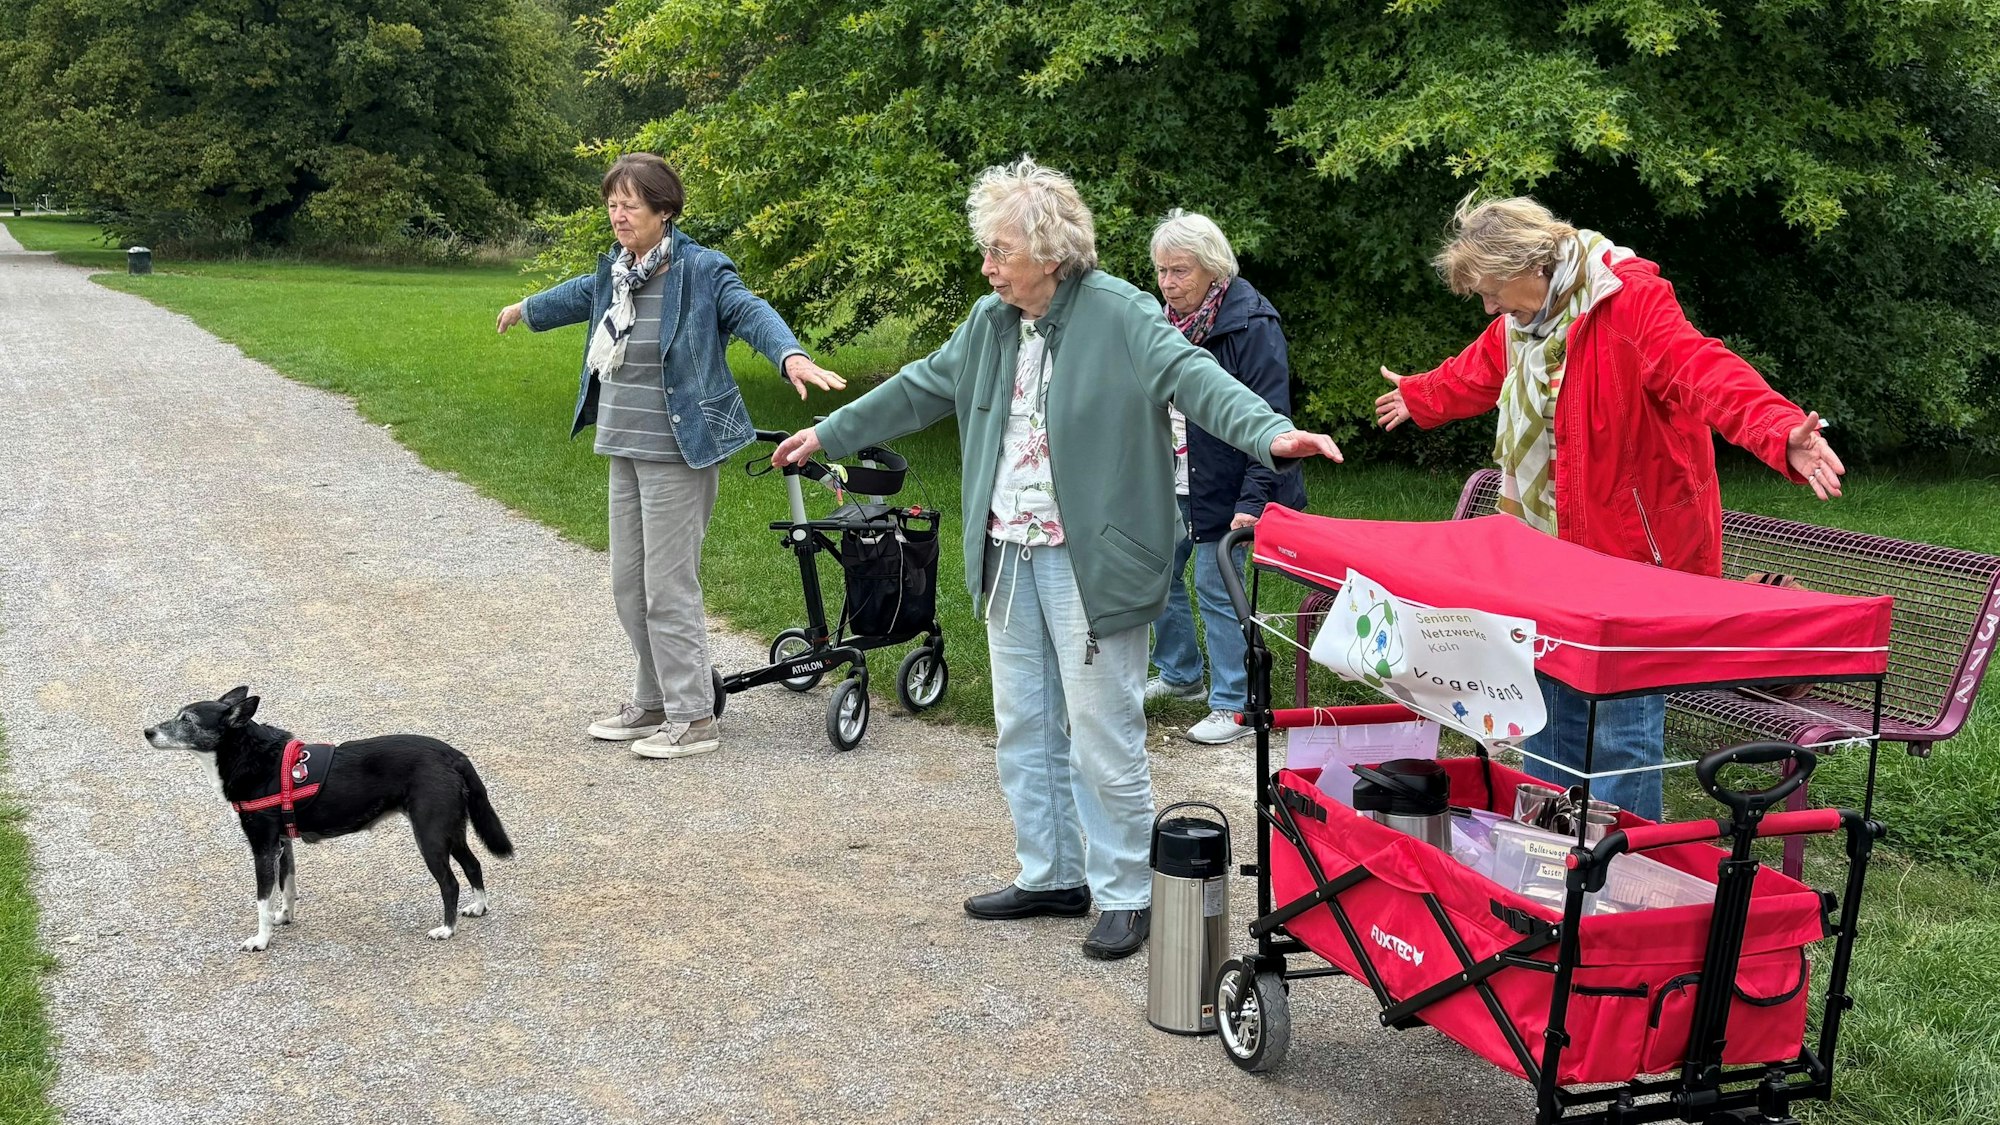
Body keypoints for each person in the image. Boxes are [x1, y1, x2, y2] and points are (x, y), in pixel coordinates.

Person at [773, 158, 1343, 960]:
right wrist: (829, 433)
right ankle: (1050, 873)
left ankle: (1127, 889)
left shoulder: (1120, 312)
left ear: (1049, 252)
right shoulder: (991, 321)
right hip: (1009, 550)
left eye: (1000, 251)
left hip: (1092, 560)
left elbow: (1195, 376)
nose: (987, 265)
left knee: (1103, 730)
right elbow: (921, 385)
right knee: (1025, 723)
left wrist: (1270, 434)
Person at [1373, 194, 1846, 820]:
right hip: (1549, 552)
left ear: (1531, 266)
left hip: (1635, 556)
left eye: (1491, 292)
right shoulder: (1526, 321)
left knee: (1619, 729)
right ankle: (1550, 845)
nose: (1488, 308)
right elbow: (1477, 371)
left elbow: (1702, 368)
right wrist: (1421, 396)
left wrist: (1779, 430)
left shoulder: (1627, 302)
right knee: (1546, 707)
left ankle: (1624, 861)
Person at [497, 153, 844, 760]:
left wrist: (789, 354)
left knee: (667, 587)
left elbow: (749, 311)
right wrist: (527, 309)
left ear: (664, 210)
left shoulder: (701, 269)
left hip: (680, 451)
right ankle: (655, 700)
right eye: (612, 204)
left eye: (630, 204)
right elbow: (578, 295)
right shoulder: (617, 272)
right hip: (623, 445)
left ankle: (693, 716)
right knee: (628, 586)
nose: (618, 214)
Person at [1144, 210, 1308, 744]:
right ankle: (1180, 675)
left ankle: (1234, 704)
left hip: (1230, 482)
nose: (1168, 283)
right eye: (1162, 271)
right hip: (1172, 475)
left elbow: (1272, 418)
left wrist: (1253, 500)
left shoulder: (1252, 324)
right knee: (1156, 575)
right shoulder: (1160, 324)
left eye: (1180, 271)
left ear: (1213, 269)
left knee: (1217, 586)